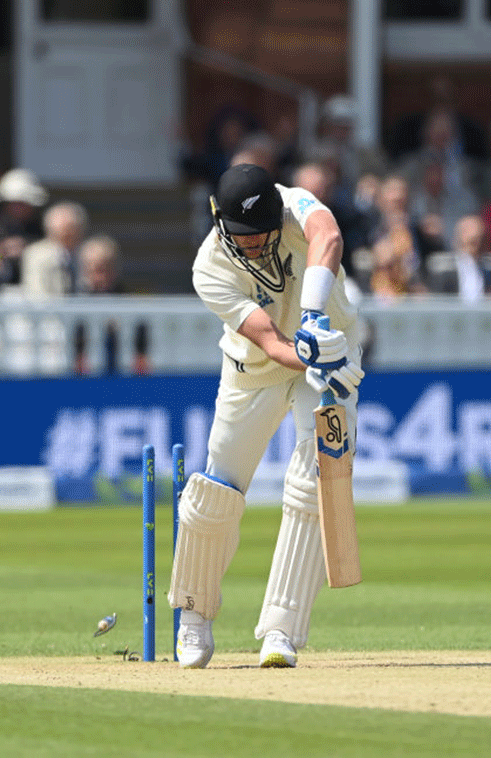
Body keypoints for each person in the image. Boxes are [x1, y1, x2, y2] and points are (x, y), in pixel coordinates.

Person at [168, 163, 364, 669]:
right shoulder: (209, 267)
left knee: (313, 482)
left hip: (330, 352)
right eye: (242, 237)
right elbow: (272, 342)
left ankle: (281, 632)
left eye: (261, 237)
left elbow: (329, 235)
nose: (253, 246)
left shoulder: (295, 205)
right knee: (215, 491)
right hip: (256, 368)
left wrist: (318, 325)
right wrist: (307, 351)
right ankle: (193, 618)